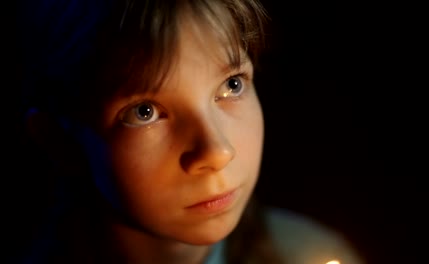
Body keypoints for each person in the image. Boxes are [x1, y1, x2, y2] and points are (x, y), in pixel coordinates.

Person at [13, 0, 365, 263]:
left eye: (232, 85)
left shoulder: (310, 254)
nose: (217, 150)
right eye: (145, 111)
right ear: (59, 141)